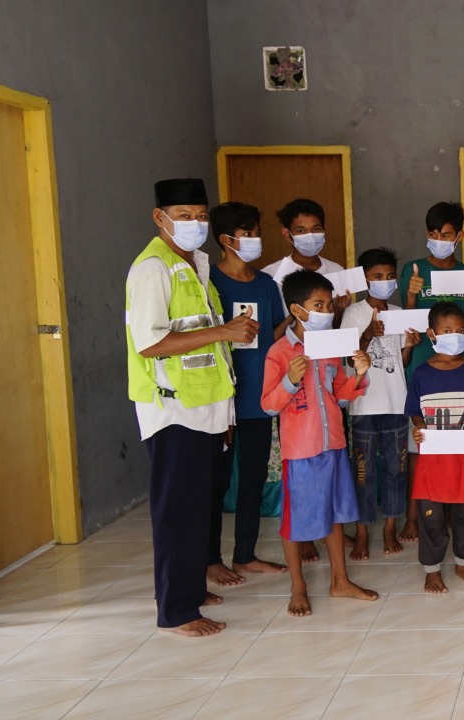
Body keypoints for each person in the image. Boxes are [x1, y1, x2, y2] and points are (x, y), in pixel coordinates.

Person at [127, 178, 255, 637]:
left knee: (199, 505)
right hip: (172, 410)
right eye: (183, 216)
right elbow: (149, 343)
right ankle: (177, 610)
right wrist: (225, 333)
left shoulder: (196, 263)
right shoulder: (152, 269)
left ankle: (191, 588)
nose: (194, 224)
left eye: (201, 216)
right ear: (159, 218)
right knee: (177, 511)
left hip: (205, 405)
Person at [261, 269, 379, 617]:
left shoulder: (331, 346)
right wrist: (290, 380)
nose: (327, 311)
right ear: (297, 310)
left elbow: (340, 397)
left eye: (329, 304)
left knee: (335, 513)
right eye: (319, 305)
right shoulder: (279, 353)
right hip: (301, 450)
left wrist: (358, 373)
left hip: (333, 445)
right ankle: (298, 587)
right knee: (296, 520)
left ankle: (339, 580)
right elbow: (268, 404)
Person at [207, 201, 288, 587]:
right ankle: (210, 559)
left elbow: (270, 337)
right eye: (247, 233)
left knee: (253, 479)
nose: (255, 239)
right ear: (225, 240)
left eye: (256, 231)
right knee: (216, 481)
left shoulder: (266, 285)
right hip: (219, 400)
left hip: (257, 398)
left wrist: (293, 319)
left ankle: (245, 555)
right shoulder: (207, 282)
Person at [395, 201, 464, 544]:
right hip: (423, 368)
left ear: (459, 235)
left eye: (446, 234)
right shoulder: (414, 269)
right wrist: (410, 297)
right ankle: (414, 518)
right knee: (422, 446)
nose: (439, 240)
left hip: (459, 374)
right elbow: (404, 324)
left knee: (456, 447)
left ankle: (452, 513)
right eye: (433, 234)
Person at [407, 302, 464, 593]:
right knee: (432, 516)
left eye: (459, 330)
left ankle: (463, 563)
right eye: (447, 330)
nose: (454, 335)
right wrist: (419, 429)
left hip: (463, 457)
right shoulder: (421, 373)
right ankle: (431, 570)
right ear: (432, 333)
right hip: (433, 461)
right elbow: (414, 411)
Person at [342, 247, 417, 560]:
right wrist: (368, 335)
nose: (384, 282)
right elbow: (349, 356)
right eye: (377, 277)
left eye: (389, 277)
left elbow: (401, 361)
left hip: (396, 403)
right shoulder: (354, 313)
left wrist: (410, 345)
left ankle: (389, 528)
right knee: (363, 472)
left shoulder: (399, 312)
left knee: (395, 470)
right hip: (363, 406)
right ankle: (362, 532)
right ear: (365, 279)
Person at [262, 198, 345, 289]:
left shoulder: (338, 271)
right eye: (301, 231)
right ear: (287, 234)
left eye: (316, 229)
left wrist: (340, 304)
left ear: (323, 230)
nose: (310, 236)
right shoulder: (270, 275)